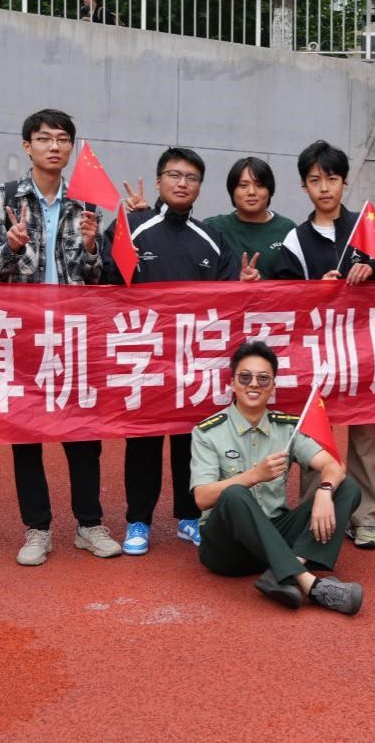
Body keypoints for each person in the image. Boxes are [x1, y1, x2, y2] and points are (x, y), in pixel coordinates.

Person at [0, 108, 123, 566]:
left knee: (84, 435)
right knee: (26, 435)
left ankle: (89, 524)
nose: (54, 146)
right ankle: (37, 529)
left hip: (74, 334)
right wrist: (11, 246)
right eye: (44, 138)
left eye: (62, 139)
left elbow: (96, 278)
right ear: (28, 146)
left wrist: (94, 247)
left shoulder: (85, 204)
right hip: (22, 336)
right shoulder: (2, 198)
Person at [104, 146, 255, 556]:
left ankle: (190, 516)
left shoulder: (211, 238)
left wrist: (243, 284)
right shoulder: (132, 226)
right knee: (143, 441)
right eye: (174, 175)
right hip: (145, 356)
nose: (182, 183)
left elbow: (228, 300)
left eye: (191, 178)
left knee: (193, 439)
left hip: (195, 360)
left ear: (200, 187)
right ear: (159, 181)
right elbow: (103, 283)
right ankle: (138, 521)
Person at [273, 139, 375, 551]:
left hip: (363, 354)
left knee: (366, 439)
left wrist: (374, 270)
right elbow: (280, 293)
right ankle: (315, 518)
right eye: (315, 180)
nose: (324, 188)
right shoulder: (295, 240)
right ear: (304, 186)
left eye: (331, 179)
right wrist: (314, 288)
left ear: (344, 182)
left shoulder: (369, 227)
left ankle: (365, 519)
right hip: (316, 357)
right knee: (316, 438)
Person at [191, 341, 364, 614]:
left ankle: (280, 572)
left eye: (263, 378)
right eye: (245, 377)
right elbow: (202, 498)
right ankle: (307, 581)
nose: (254, 384)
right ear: (232, 384)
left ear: (273, 387)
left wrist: (324, 490)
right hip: (227, 550)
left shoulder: (286, 428)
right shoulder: (208, 432)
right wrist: (254, 475)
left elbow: (334, 466)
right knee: (234, 494)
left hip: (276, 537)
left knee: (347, 487)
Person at [202, 157, 297, 279]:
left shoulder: (287, 229)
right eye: (243, 185)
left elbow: (297, 280)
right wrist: (237, 280)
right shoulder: (213, 228)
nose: (251, 192)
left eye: (259, 185)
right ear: (232, 191)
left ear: (270, 191)